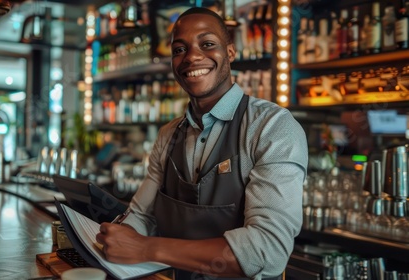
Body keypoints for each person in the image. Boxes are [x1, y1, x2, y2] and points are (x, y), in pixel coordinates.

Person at [96, 7, 308, 280]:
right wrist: (117, 235)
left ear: (230, 52)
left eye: (207, 44)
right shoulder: (168, 134)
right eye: (179, 49)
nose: (192, 57)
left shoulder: (273, 127)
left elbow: (268, 250)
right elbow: (142, 215)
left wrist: (147, 247)